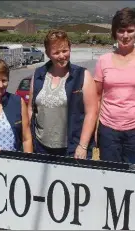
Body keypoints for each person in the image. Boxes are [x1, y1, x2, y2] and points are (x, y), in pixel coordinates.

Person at [94, 7, 135, 164]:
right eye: (121, 31)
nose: (125, 36)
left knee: (134, 176)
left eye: (130, 30)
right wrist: (96, 128)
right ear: (115, 32)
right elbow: (96, 96)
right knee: (109, 174)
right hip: (108, 129)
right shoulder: (103, 60)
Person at [28, 29, 98, 159]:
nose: (61, 56)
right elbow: (31, 109)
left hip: (72, 149)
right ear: (48, 54)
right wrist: (29, 140)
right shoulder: (38, 75)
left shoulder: (82, 76)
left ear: (70, 49)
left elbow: (91, 113)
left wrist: (82, 146)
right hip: (41, 147)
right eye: (56, 52)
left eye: (65, 51)